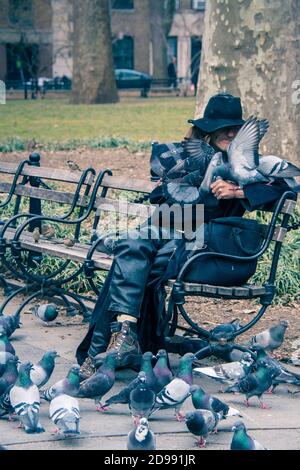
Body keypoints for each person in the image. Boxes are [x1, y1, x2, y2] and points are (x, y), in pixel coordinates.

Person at [76, 93, 291, 379]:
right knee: (133, 244)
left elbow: (289, 187)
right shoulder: (184, 159)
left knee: (132, 257)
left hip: (203, 247)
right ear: (206, 130)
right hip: (167, 231)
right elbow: (159, 196)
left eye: (234, 128)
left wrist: (239, 192)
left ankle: (102, 348)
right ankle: (123, 336)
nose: (229, 132)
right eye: (222, 126)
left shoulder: (247, 166)